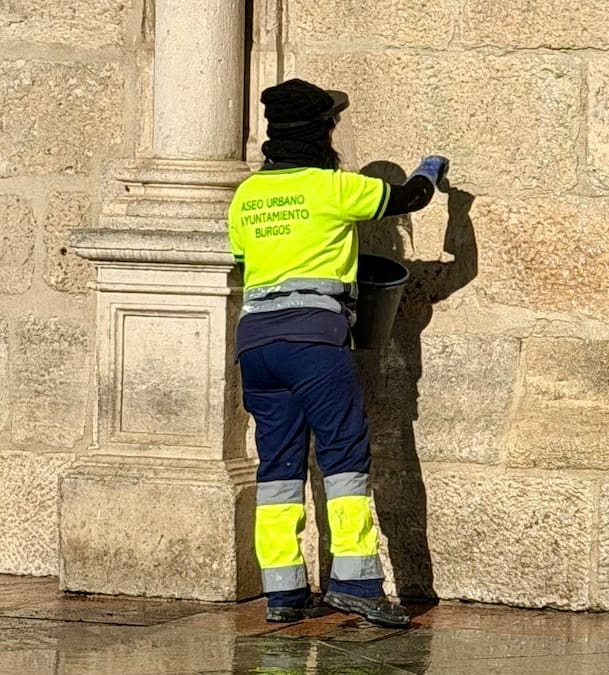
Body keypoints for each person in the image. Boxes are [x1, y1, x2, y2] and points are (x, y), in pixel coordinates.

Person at [227, 78, 448, 627]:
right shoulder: (331, 187)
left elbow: (241, 254)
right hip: (314, 341)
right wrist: (431, 171)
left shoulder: (247, 196)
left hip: (256, 344)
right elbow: (409, 200)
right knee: (344, 458)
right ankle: (358, 584)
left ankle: (283, 593)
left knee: (278, 466)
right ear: (321, 131)